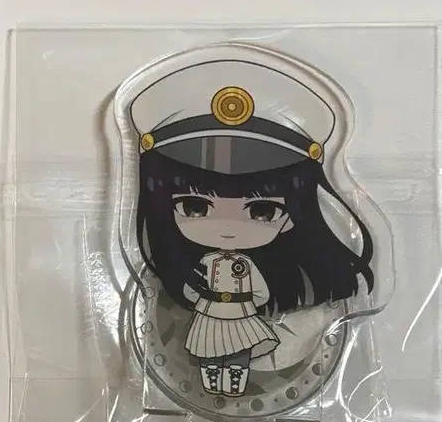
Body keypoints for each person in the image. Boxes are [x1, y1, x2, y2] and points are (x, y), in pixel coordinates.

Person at [119, 44, 374, 397]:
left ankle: (233, 380)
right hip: (210, 314)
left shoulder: (246, 266)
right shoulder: (199, 263)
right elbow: (195, 288)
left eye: (261, 211)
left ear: (292, 217)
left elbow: (260, 291)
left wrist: (254, 300)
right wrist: (194, 293)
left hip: (238, 314)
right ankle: (214, 381)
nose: (227, 227)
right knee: (209, 352)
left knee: (237, 352)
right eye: (195, 207)